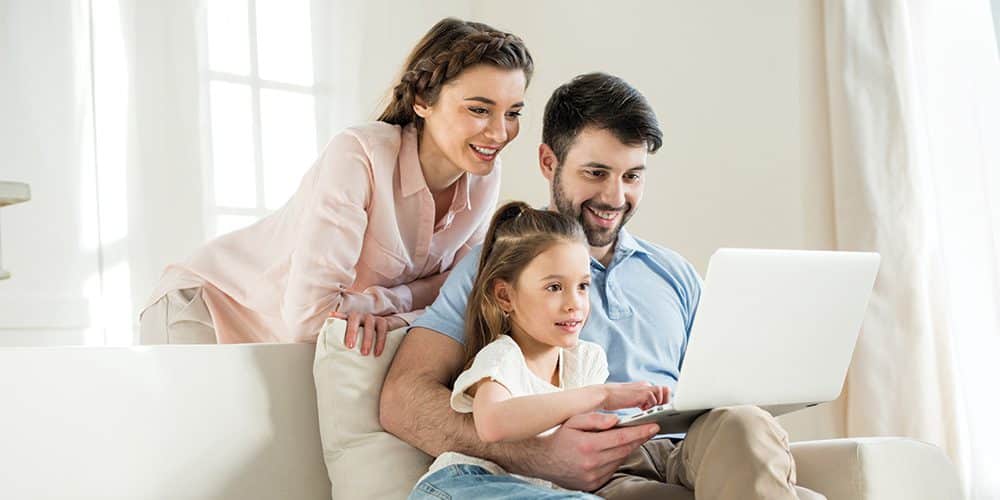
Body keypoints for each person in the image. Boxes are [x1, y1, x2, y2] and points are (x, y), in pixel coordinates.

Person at [382, 73, 825, 499]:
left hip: (684, 450)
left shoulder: (674, 273)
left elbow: (724, 389)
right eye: (596, 173)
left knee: (743, 421)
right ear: (548, 162)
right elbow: (403, 399)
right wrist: (539, 457)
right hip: (602, 472)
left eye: (632, 176)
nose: (615, 197)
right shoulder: (500, 266)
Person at [138, 18, 533, 352]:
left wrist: (383, 313)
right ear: (421, 101)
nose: (500, 133)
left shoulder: (483, 179)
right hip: (207, 307)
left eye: (513, 113)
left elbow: (460, 302)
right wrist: (408, 302)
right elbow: (309, 320)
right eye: (479, 109)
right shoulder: (359, 155)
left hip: (297, 343)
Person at [409, 201, 672, 500]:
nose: (574, 303)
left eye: (583, 286)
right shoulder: (503, 356)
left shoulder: (587, 360)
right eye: (554, 287)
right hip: (462, 484)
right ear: (505, 296)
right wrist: (604, 395)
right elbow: (492, 424)